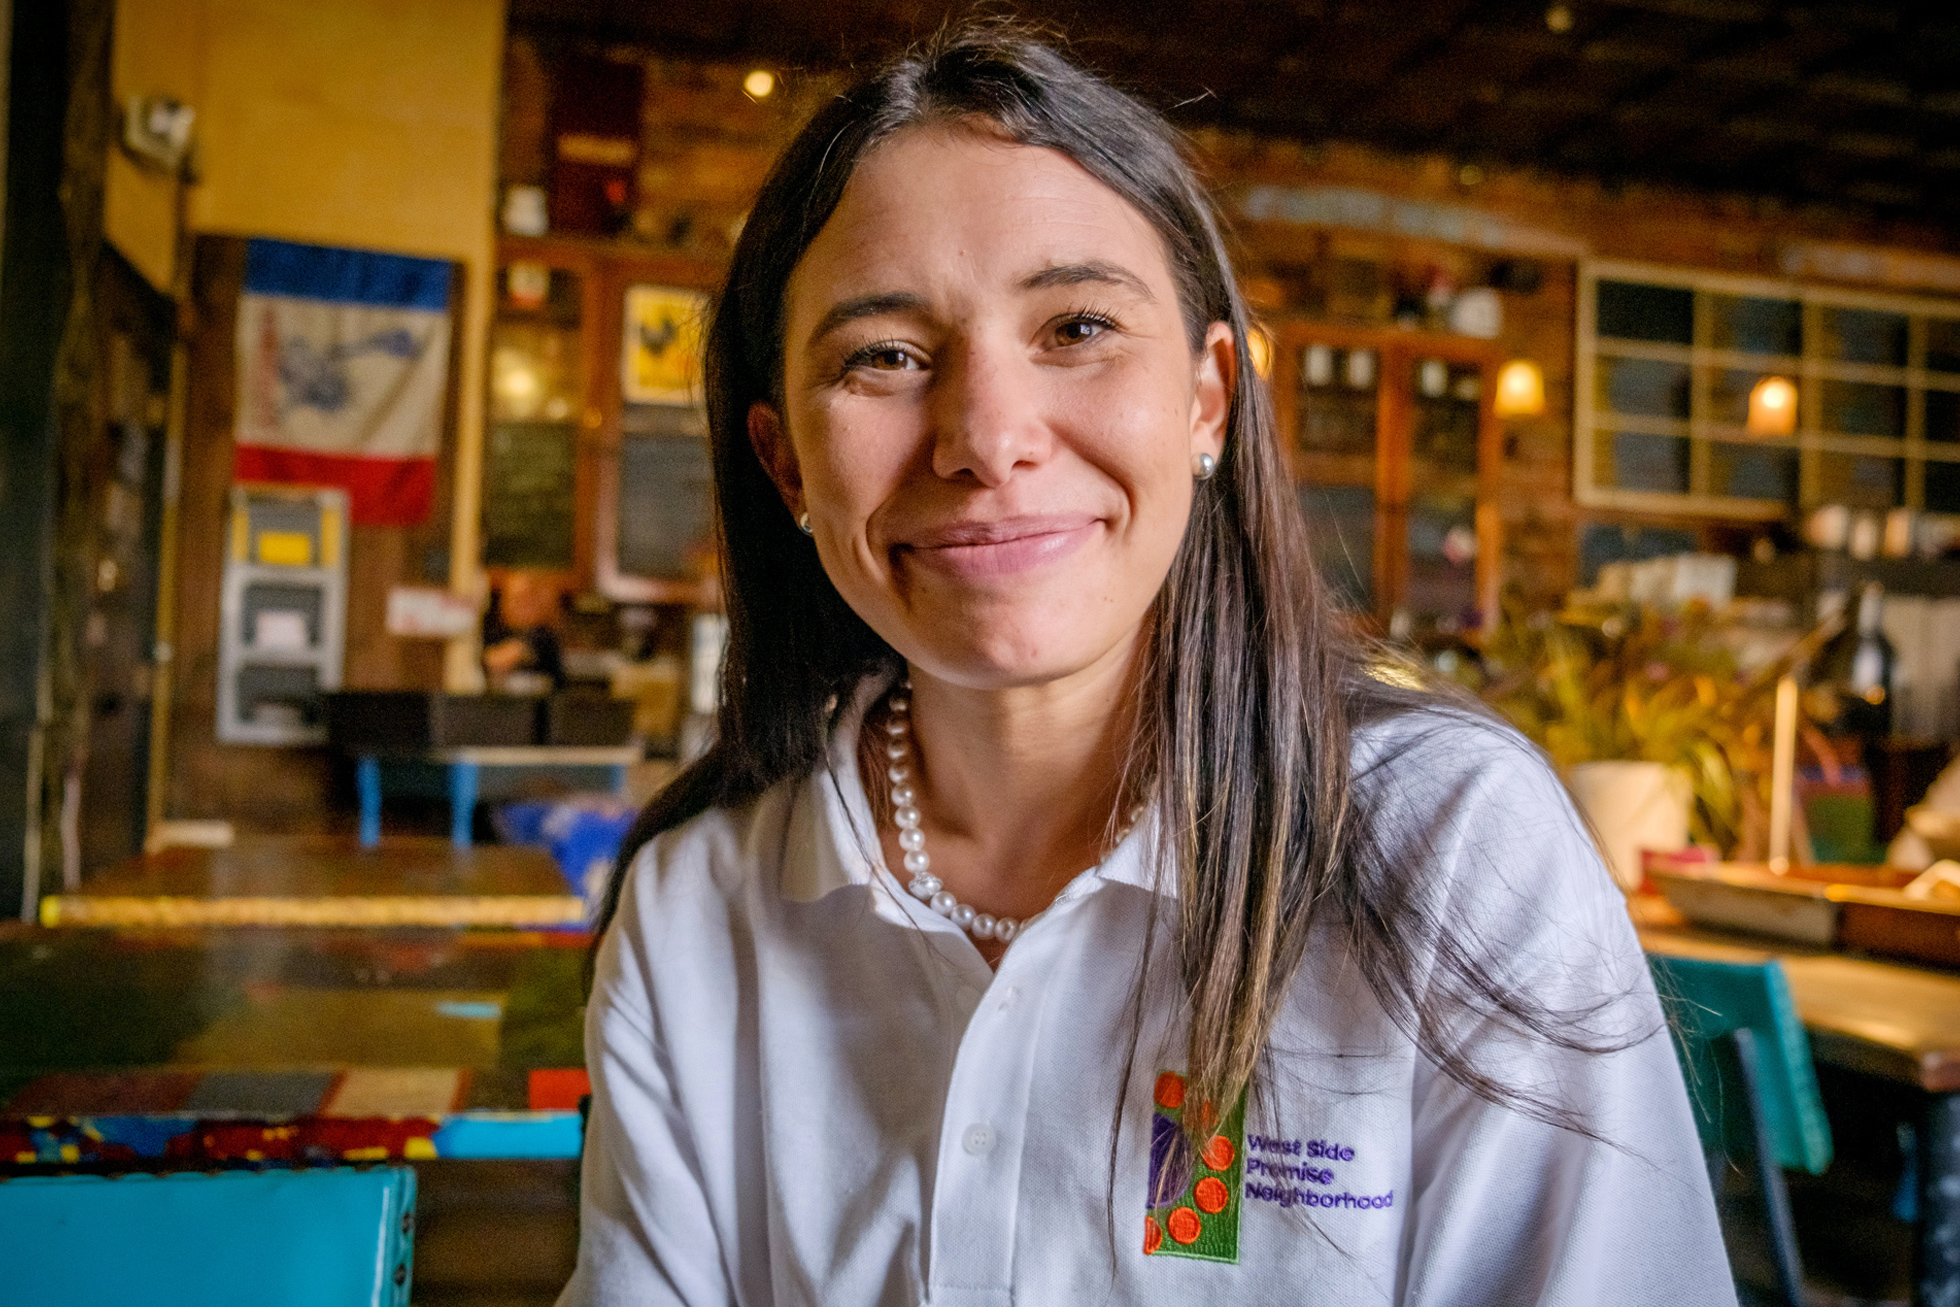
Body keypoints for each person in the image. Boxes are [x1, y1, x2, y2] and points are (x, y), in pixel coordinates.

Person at [560, 26, 1733, 1307]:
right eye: (884, 355)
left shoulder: (1446, 845)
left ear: (1208, 398)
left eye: (1075, 325)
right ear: (787, 462)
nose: (988, 439)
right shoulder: (694, 912)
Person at [483, 569, 566, 693]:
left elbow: (509, 655)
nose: (520, 607)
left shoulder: (545, 638)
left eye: (527, 601)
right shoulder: (493, 632)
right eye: (513, 599)